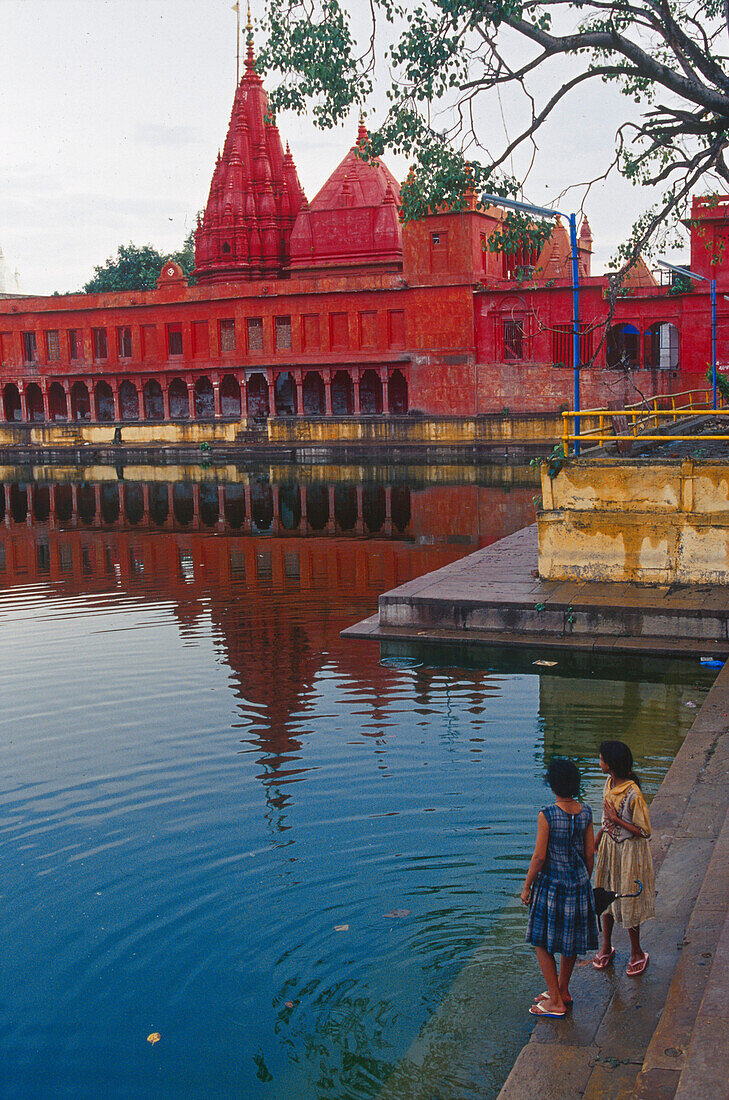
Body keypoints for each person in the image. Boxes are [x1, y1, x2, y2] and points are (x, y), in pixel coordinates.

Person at [521, 758, 599, 1017]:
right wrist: (583, 879)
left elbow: (539, 857)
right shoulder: (586, 812)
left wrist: (526, 887)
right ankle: (562, 990)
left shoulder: (548, 814)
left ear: (552, 784)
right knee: (570, 943)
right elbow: (590, 854)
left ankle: (555, 1001)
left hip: (552, 887)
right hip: (578, 885)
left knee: (540, 942)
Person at [592, 740, 655, 976]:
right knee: (605, 894)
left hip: (629, 850)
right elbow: (605, 817)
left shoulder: (633, 794)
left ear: (609, 764)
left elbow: (645, 831)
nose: (599, 762)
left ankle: (636, 951)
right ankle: (606, 945)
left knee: (628, 897)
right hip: (610, 847)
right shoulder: (609, 783)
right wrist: (599, 835)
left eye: (601, 759)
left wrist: (617, 821)